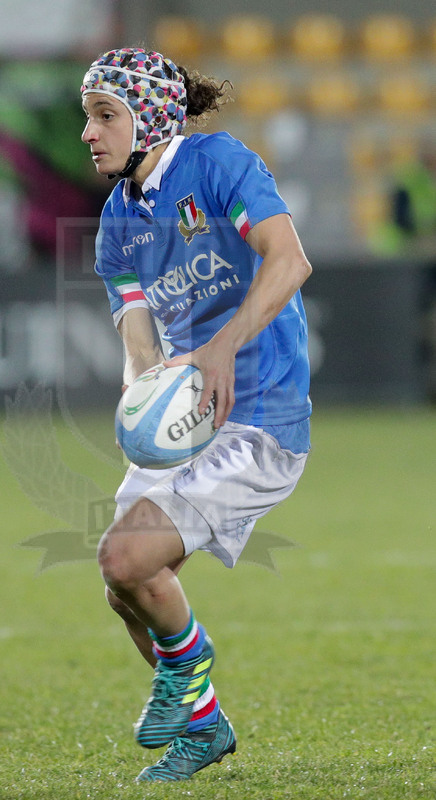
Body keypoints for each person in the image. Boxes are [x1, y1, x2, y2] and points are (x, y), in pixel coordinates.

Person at [80, 47, 312, 783]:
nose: (88, 133)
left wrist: (219, 348)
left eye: (104, 115)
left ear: (148, 118)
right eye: (86, 117)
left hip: (258, 416)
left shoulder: (217, 164)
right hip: (188, 420)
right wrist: (141, 394)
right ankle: (205, 722)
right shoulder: (118, 223)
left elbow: (289, 260)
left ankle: (189, 675)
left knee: (126, 557)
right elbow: (141, 346)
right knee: (125, 588)